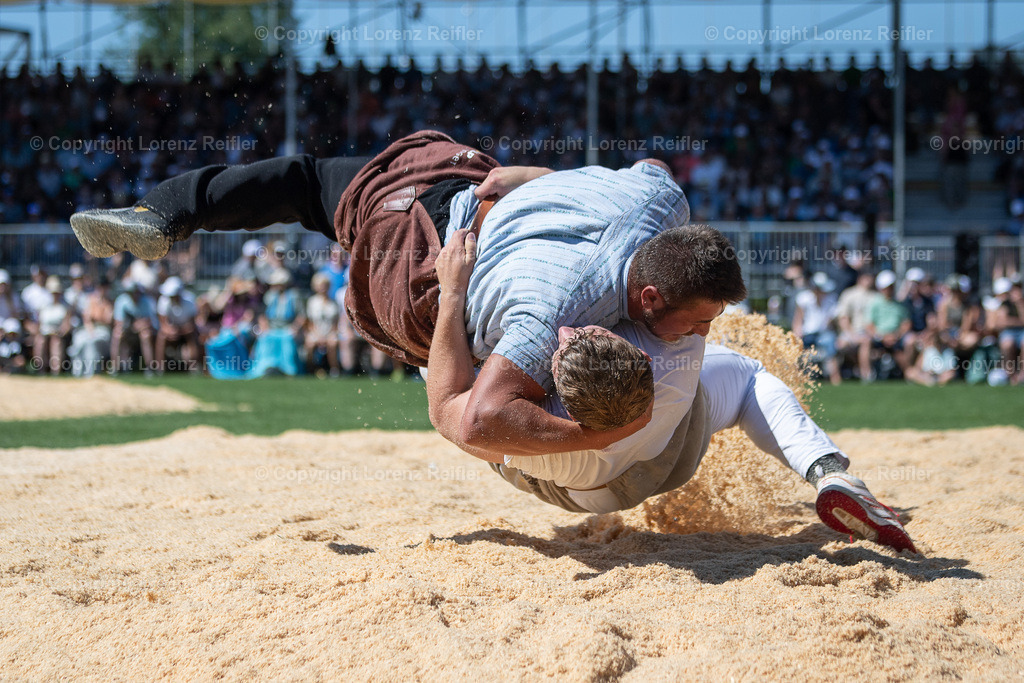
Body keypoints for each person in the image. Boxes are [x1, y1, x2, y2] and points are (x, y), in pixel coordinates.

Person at [70, 131, 744, 457]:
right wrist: (610, 429)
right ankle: (165, 214)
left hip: (448, 177)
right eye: (700, 320)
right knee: (449, 342)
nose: (704, 331)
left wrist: (538, 177)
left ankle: (164, 211)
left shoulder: (659, 197)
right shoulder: (559, 306)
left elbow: (652, 163)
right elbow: (473, 420)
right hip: (413, 249)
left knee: (302, 180)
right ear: (650, 298)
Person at [426, 229, 916, 553]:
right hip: (668, 455)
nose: (567, 330)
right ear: (636, 355)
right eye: (703, 320)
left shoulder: (522, 433)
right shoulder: (671, 362)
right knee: (747, 376)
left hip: (574, 488)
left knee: (455, 384)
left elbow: (459, 414)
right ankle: (829, 472)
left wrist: (451, 295)